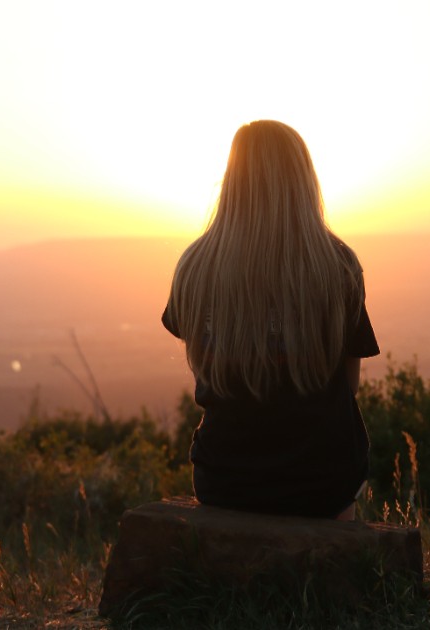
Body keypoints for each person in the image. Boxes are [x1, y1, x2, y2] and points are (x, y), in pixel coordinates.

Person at [161, 120, 379, 520]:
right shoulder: (339, 267)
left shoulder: (194, 267)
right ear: (303, 181)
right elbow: (349, 387)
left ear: (231, 180)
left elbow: (203, 367)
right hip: (323, 482)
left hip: (224, 480)